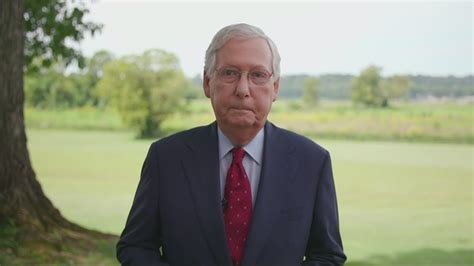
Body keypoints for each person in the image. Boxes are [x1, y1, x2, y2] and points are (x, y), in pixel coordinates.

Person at [117, 23, 346, 266]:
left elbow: (327, 256)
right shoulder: (166, 158)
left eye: (258, 75)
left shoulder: (312, 161)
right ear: (207, 82)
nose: (243, 89)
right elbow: (136, 246)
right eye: (230, 73)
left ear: (275, 88)